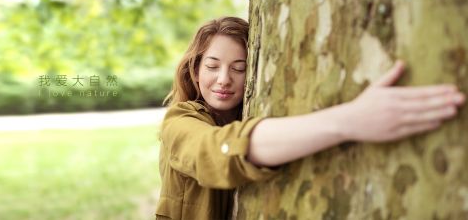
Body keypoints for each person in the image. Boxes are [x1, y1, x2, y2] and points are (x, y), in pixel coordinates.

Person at [155, 17, 465, 219]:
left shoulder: (257, 111)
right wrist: (351, 120)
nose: (224, 79)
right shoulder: (178, 121)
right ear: (194, 71)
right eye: (212, 66)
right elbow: (214, 150)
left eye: (239, 68)